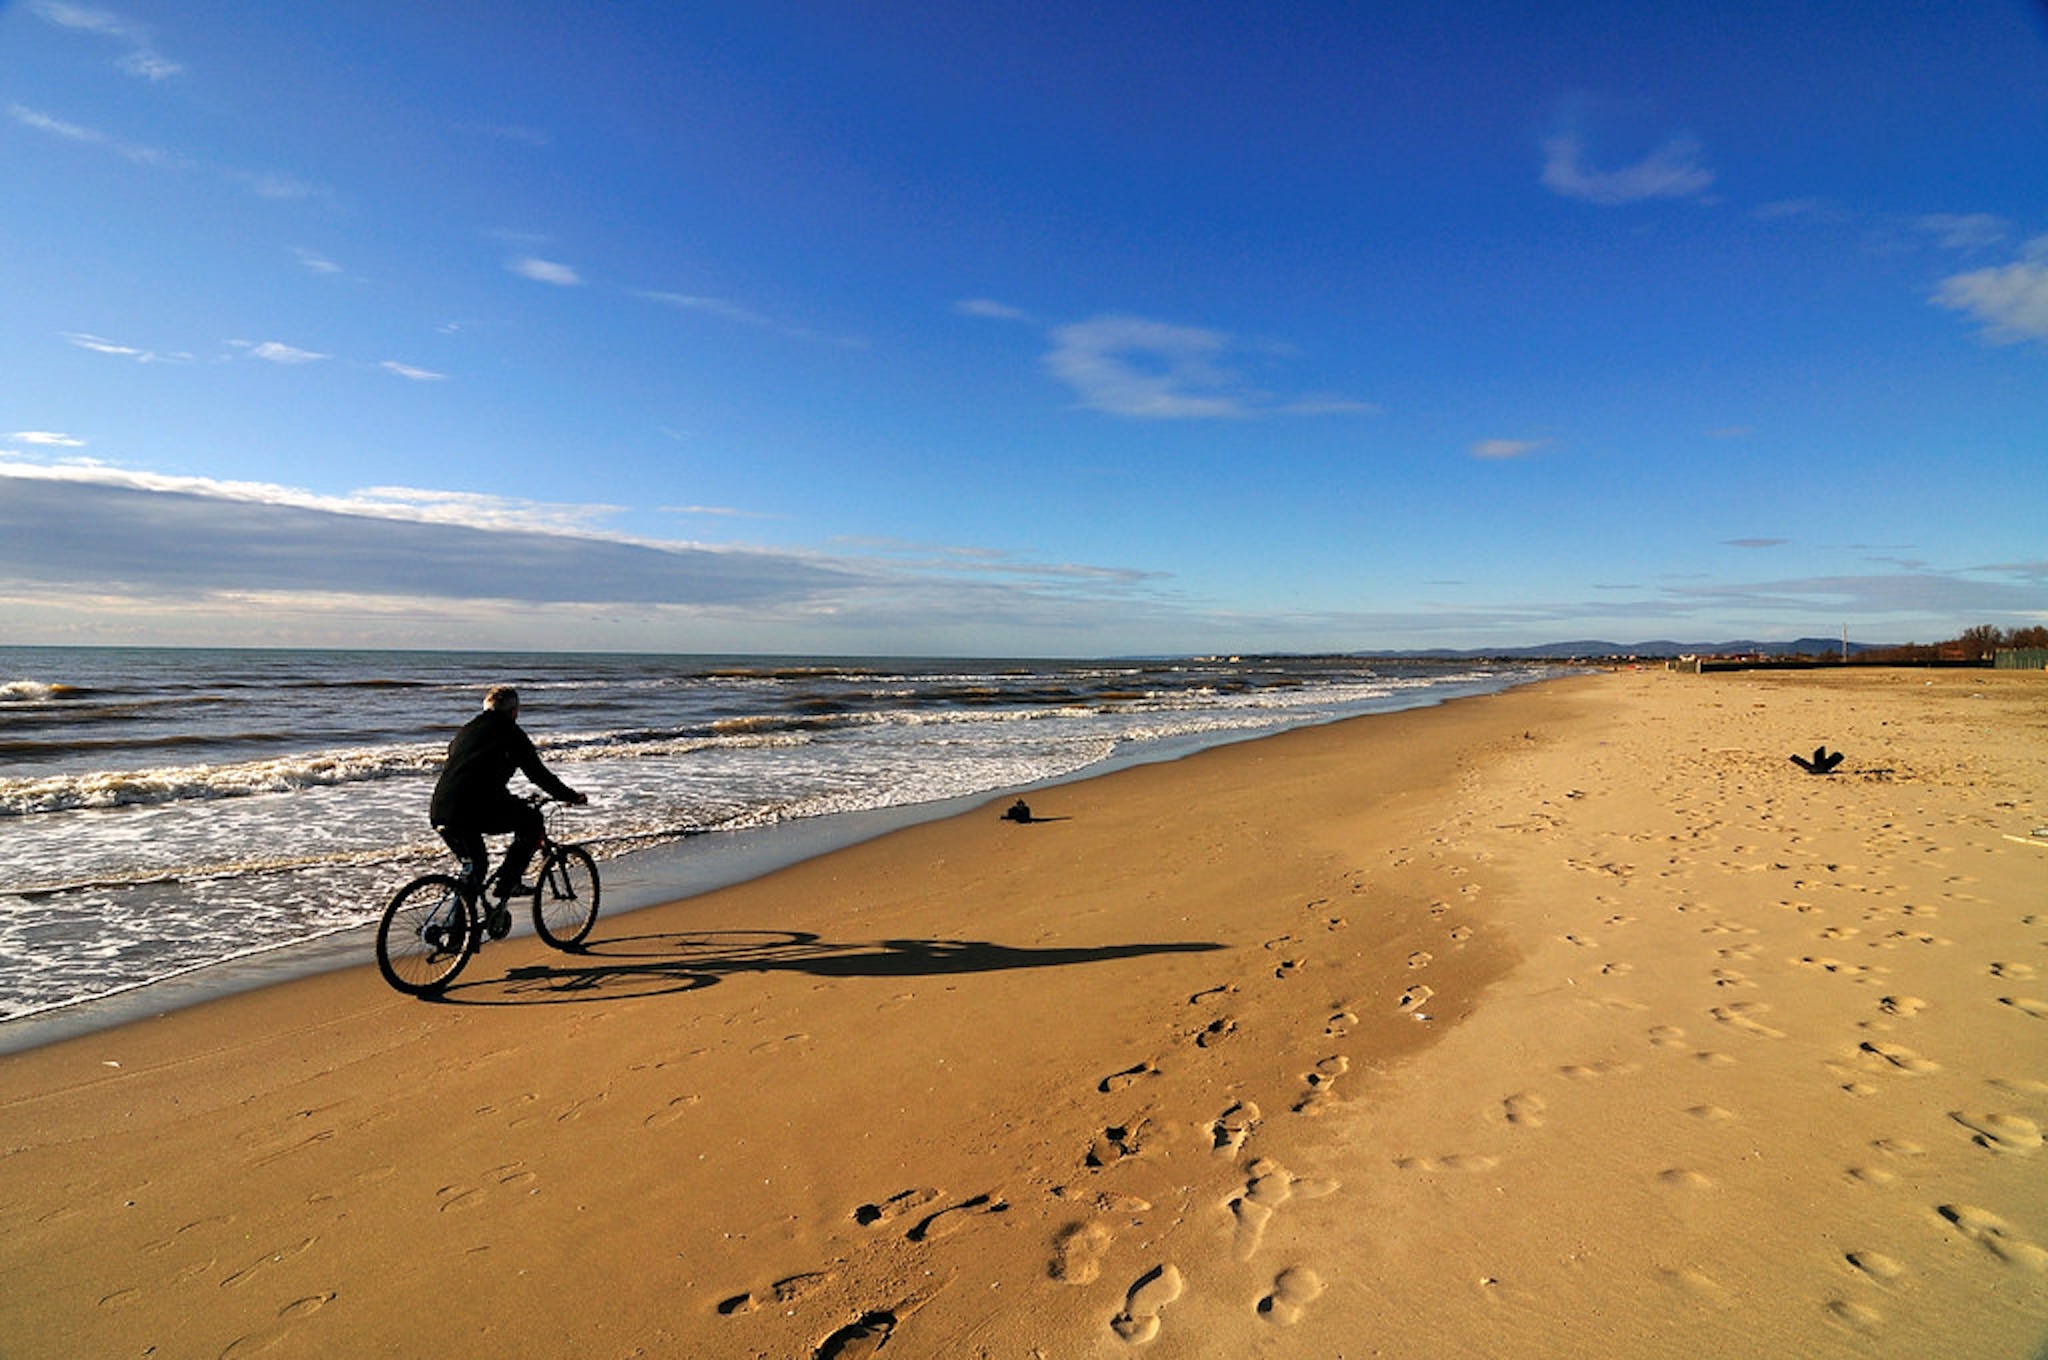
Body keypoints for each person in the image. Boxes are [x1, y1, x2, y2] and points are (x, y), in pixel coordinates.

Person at [430, 685, 587, 907]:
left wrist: (508, 798)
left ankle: (458, 934)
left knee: (475, 869)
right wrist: (569, 796)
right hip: (472, 809)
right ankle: (508, 882)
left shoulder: (465, 731)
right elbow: (538, 774)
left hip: (440, 809)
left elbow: (475, 776)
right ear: (513, 711)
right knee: (532, 821)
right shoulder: (510, 733)